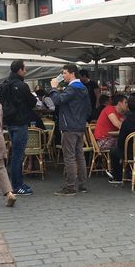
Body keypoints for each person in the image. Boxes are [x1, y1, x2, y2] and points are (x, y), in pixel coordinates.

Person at [50, 64, 92, 196]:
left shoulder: (72, 88)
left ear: (72, 73)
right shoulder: (83, 88)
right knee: (80, 156)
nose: (63, 75)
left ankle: (70, 187)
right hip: (80, 126)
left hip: (69, 127)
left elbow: (58, 100)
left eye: (65, 73)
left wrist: (54, 88)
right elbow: (89, 109)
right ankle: (82, 185)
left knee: (69, 157)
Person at [1, 60, 39, 196]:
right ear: (20, 70)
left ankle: (15, 183)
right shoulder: (22, 85)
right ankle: (17, 186)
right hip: (20, 122)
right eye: (25, 69)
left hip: (9, 123)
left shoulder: (5, 84)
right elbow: (32, 102)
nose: (26, 71)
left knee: (14, 155)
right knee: (18, 155)